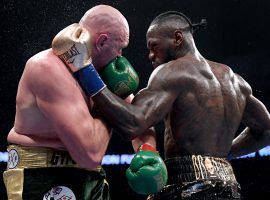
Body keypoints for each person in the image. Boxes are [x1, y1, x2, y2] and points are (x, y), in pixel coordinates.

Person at [60, 10, 270, 199]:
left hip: (187, 185)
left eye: (154, 46)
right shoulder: (235, 80)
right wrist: (223, 154)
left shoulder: (172, 72)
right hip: (229, 185)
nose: (151, 55)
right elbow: (266, 130)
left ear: (177, 38)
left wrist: (85, 71)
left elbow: (133, 124)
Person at [3, 4, 155, 200]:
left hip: (91, 180)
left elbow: (138, 119)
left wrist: (148, 151)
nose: (120, 56)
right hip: (42, 175)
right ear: (101, 41)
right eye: (119, 48)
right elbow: (90, 154)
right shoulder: (47, 68)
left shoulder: (103, 73)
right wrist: (107, 102)